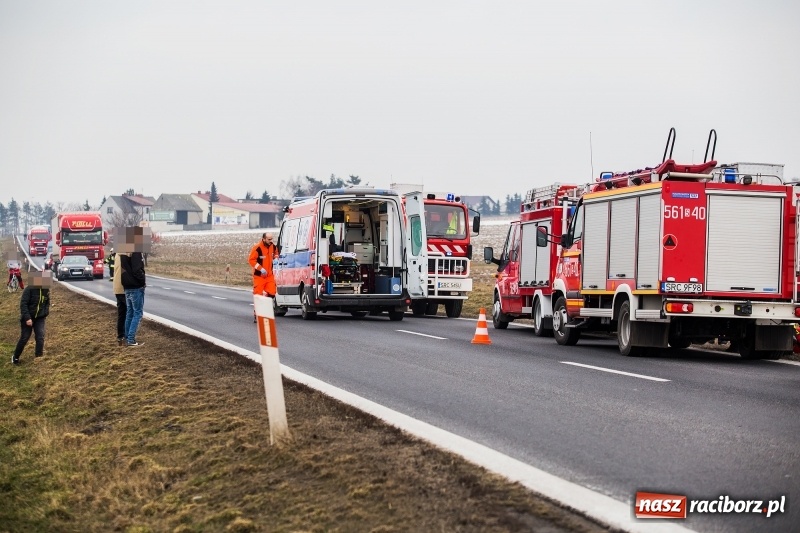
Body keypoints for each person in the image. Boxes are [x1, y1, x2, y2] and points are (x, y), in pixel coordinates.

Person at [12, 270, 52, 364]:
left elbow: (47, 303)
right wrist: (27, 318)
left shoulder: (46, 290)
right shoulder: (29, 289)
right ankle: (15, 357)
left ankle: (39, 357)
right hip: (28, 318)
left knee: (40, 337)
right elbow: (23, 304)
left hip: (40, 318)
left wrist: (45, 313)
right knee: (25, 338)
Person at [120, 228, 148, 347]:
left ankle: (127, 338)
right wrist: (143, 281)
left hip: (127, 286)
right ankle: (131, 339)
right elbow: (137, 270)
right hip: (136, 286)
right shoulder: (136, 252)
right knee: (137, 313)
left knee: (130, 313)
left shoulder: (124, 252)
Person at [248, 232, 278, 322]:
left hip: (269, 276)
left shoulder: (273, 247)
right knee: (258, 295)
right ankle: (257, 314)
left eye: (272, 239)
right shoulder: (257, 248)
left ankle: (266, 308)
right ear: (264, 239)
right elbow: (251, 260)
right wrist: (260, 268)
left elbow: (276, 253)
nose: (271, 241)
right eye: (269, 239)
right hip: (259, 276)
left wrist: (276, 258)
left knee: (272, 293)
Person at [112, 250, 128, 345]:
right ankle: (128, 338)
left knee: (121, 314)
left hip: (117, 288)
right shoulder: (126, 254)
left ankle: (120, 337)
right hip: (124, 288)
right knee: (129, 313)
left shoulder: (118, 254)